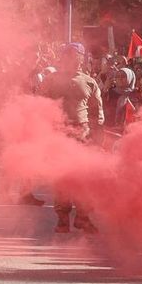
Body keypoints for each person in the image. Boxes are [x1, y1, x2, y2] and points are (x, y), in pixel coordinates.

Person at [41, 42, 104, 234]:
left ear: (81, 58)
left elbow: (97, 110)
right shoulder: (51, 80)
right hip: (59, 133)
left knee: (84, 177)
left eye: (75, 55)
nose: (71, 59)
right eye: (67, 55)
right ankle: (62, 219)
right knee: (62, 177)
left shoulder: (89, 81)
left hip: (82, 134)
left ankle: (83, 218)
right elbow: (40, 105)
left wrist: (97, 134)